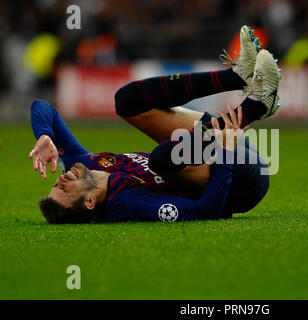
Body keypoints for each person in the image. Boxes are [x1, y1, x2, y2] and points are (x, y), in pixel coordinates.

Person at [28, 26, 281, 224]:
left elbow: (42, 107)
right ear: (91, 201)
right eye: (64, 188)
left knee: (127, 101)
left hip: (213, 146)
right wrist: (226, 151)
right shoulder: (127, 203)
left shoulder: (80, 163)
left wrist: (44, 136)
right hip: (242, 180)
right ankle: (255, 107)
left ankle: (237, 75)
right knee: (161, 159)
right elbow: (206, 211)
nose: (60, 178)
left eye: (55, 183)